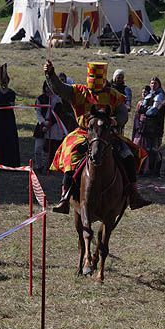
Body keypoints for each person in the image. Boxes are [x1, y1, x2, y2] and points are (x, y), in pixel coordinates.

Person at [44, 60, 151, 214]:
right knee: (71, 157)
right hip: (83, 133)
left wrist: (116, 120)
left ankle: (134, 193)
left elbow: (122, 113)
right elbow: (59, 88)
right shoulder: (78, 91)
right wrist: (50, 73)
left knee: (128, 155)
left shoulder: (112, 94)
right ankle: (65, 197)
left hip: (108, 133)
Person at [138, 77, 165, 177]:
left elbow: (152, 112)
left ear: (159, 84)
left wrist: (147, 109)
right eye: (151, 83)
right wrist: (147, 109)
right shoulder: (150, 94)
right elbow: (141, 110)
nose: (152, 85)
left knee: (155, 149)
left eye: (155, 83)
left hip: (156, 127)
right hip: (146, 127)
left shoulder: (161, 96)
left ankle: (156, 172)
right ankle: (147, 170)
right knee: (146, 148)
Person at [34, 81, 66, 172]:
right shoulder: (40, 98)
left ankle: (47, 167)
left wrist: (49, 125)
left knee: (49, 150)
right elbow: (38, 112)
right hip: (41, 126)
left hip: (54, 127)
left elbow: (57, 114)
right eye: (46, 87)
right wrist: (43, 123)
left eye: (50, 86)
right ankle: (39, 166)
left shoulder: (58, 100)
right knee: (38, 148)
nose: (48, 89)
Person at [0, 73, 20, 167]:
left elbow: (11, 104)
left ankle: (9, 163)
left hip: (8, 120)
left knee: (9, 139)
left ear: (8, 81)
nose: (3, 83)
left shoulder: (11, 93)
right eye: (2, 81)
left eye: (5, 81)